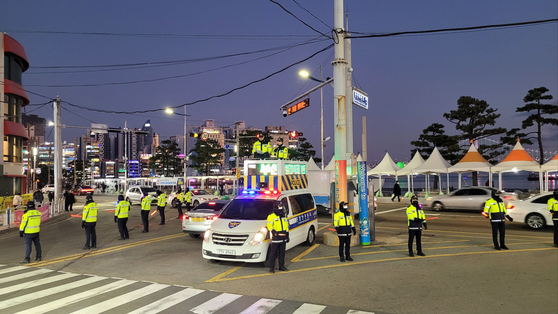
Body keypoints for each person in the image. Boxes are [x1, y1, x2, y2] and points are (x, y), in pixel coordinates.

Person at [267, 201, 289, 273]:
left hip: (283, 237)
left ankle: (281, 267)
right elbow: (269, 226)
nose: (281, 206)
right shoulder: (271, 216)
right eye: (280, 205)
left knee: (282, 253)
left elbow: (286, 225)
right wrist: (273, 231)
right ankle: (271, 268)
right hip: (276, 238)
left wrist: (287, 234)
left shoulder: (283, 215)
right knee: (273, 254)